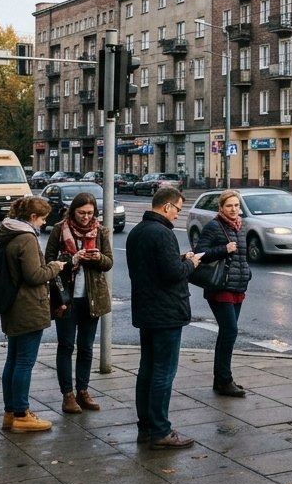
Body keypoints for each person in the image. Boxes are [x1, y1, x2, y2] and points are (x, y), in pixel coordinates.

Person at [126, 186, 202, 449]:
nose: (178, 215)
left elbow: (151, 267)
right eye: (177, 209)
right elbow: (172, 274)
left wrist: (178, 259)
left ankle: (146, 428)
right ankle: (161, 430)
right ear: (167, 206)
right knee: (163, 372)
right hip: (167, 312)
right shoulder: (163, 233)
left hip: (146, 310)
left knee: (146, 370)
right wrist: (190, 263)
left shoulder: (138, 231)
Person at [0, 196, 66, 433]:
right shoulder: (26, 238)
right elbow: (34, 275)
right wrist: (55, 267)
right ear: (32, 217)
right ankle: (21, 414)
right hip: (27, 306)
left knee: (13, 360)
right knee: (24, 362)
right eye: (43, 218)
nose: (44, 223)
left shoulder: (9, 233)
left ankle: (10, 412)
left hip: (13, 305)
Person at [44, 192, 113, 416]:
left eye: (90, 213)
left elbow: (109, 262)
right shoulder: (59, 229)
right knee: (66, 345)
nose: (86, 217)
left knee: (86, 346)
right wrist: (71, 259)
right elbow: (48, 261)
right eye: (81, 212)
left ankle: (83, 390)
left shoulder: (100, 231)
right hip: (66, 297)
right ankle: (67, 395)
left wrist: (98, 258)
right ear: (73, 211)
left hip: (92, 298)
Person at [193, 189, 252, 397]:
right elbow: (200, 253)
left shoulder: (241, 226)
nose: (233, 209)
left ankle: (221, 380)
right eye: (229, 206)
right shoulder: (214, 226)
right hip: (220, 287)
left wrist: (247, 272)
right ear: (221, 207)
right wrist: (223, 249)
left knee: (227, 333)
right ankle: (224, 380)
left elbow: (242, 256)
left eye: (236, 205)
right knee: (230, 332)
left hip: (238, 286)